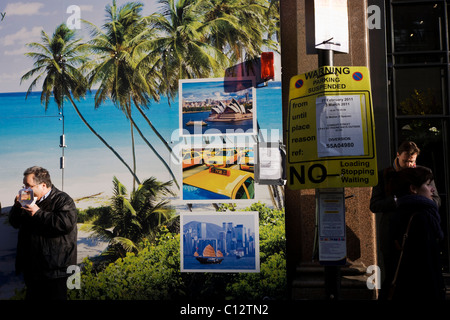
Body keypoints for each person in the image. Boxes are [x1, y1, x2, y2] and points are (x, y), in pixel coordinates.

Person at [369, 141, 440, 299]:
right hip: (392, 233)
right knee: (393, 273)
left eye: (412, 161)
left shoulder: (423, 174)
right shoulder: (384, 175)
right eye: (406, 161)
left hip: (417, 229)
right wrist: (395, 201)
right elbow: (374, 205)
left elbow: (435, 200)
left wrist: (420, 200)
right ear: (398, 156)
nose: (409, 165)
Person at [9, 166, 77, 300]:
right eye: (24, 185)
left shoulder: (63, 200)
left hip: (55, 270)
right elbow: (14, 223)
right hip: (32, 268)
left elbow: (65, 224)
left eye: (28, 186)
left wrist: (38, 213)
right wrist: (17, 207)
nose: (25, 189)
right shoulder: (27, 200)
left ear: (43, 185)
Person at [386, 167, 445, 300]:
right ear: (413, 188)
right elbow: (427, 266)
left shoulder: (398, 213)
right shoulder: (422, 217)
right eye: (428, 184)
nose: (432, 189)